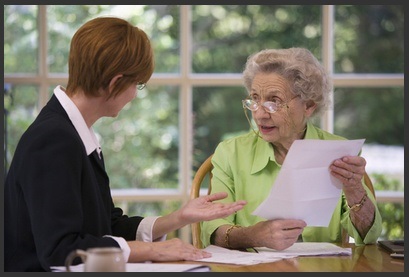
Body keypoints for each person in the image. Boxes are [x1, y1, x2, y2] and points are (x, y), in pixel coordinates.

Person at [4, 16, 247, 272]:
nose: (134, 94)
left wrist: (178, 218)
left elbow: (109, 226)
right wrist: (153, 250)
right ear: (115, 82)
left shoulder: (73, 132)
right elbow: (60, 251)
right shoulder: (54, 140)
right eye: (137, 84)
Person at [200, 47, 382, 251]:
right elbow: (212, 230)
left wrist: (355, 190)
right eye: (255, 99)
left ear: (309, 105)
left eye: (273, 102)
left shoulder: (338, 152)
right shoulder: (230, 154)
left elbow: (369, 237)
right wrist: (253, 236)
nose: (259, 115)